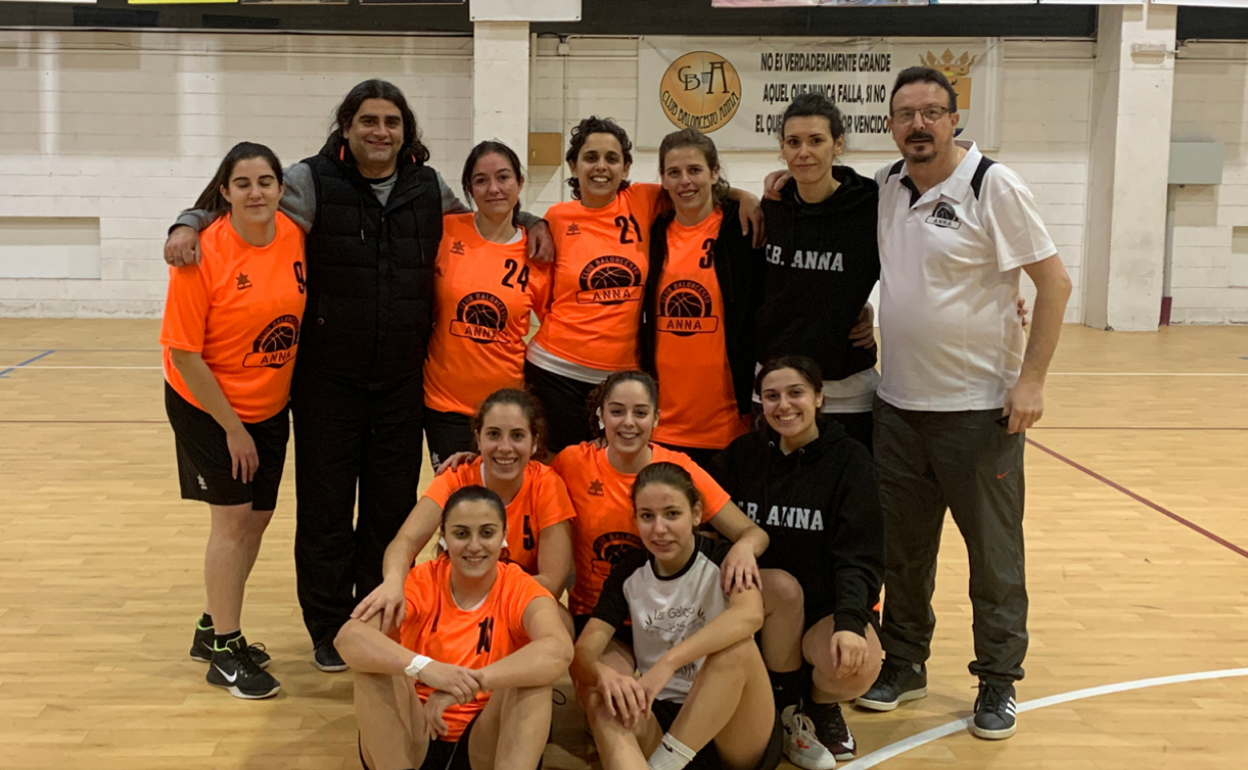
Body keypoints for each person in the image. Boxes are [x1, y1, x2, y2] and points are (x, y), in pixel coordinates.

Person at [162, 80, 553, 671]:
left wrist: (529, 217)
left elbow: (485, 216)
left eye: (392, 121)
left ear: (406, 129)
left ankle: (376, 615)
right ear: (345, 127)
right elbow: (244, 198)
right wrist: (188, 221)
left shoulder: (428, 186)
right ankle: (327, 628)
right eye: (367, 120)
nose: (380, 131)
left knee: (388, 511)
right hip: (326, 381)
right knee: (325, 512)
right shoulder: (310, 181)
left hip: (401, 382)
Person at [857, 66, 1072, 741]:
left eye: (931, 112)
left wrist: (1031, 379)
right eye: (904, 114)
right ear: (891, 125)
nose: (917, 124)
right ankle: (904, 663)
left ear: (955, 119)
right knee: (904, 553)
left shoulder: (991, 184)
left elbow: (1055, 283)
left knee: (994, 559)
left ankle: (999, 681)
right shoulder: (888, 186)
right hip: (897, 405)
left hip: (980, 413)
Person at [160, 142, 304, 699]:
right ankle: (223, 650)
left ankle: (209, 626)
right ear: (224, 191)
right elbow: (184, 355)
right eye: (243, 183)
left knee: (259, 519)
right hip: (207, 405)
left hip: (269, 404)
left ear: (280, 188)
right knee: (232, 523)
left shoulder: (293, 235)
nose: (256, 192)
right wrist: (232, 428)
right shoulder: (204, 253)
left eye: (265, 181)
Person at [527, 117, 762, 454]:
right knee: (562, 473)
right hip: (555, 371)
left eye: (611, 158)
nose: (601, 167)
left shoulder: (645, 200)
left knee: (615, 476)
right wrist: (529, 219)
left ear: (626, 167)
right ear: (573, 166)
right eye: (590, 157)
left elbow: (697, 187)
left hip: (621, 378)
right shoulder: (556, 218)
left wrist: (747, 198)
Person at [710, 357, 883, 769]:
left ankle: (819, 705)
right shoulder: (742, 455)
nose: (783, 406)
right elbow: (700, 511)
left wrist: (848, 625)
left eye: (796, 393)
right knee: (783, 588)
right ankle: (786, 708)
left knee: (860, 666)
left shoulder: (851, 462)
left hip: (821, 604)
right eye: (771, 396)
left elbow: (860, 557)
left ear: (819, 397)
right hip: (764, 602)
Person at [335, 486, 573, 770]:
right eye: (461, 534)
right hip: (415, 734)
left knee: (533, 680)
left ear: (503, 536)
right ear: (444, 537)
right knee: (374, 668)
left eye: (486, 533)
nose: (474, 546)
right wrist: (426, 668)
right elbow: (348, 638)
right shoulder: (423, 580)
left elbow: (558, 650)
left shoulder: (519, 586)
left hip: (482, 741)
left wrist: (469, 684)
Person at [573, 463, 783, 770]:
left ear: (696, 514)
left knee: (738, 647)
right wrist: (607, 677)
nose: (659, 529)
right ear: (635, 519)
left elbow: (750, 616)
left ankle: (663, 765)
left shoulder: (723, 557)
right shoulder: (630, 572)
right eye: (647, 516)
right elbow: (583, 653)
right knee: (602, 698)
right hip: (664, 717)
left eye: (672, 514)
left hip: (734, 724)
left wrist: (667, 662)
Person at [551, 370, 768, 635]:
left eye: (640, 413)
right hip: (598, 614)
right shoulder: (572, 463)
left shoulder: (678, 468)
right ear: (601, 415)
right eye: (617, 412)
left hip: (671, 614)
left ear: (656, 418)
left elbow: (753, 532)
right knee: (604, 676)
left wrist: (744, 547)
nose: (628, 423)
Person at [352, 388, 575, 633]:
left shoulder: (547, 484)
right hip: (453, 601)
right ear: (478, 439)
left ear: (534, 442)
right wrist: (393, 582)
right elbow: (405, 540)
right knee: (370, 628)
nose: (504, 447)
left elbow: (551, 582)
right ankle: (427, 666)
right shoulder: (457, 477)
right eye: (493, 434)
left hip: (513, 604)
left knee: (560, 625)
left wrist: (485, 600)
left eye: (517, 436)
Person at [757, 94, 881, 453]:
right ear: (782, 148)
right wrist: (739, 194)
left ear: (838, 144)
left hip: (846, 389)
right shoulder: (772, 205)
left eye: (816, 140)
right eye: (793, 142)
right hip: (777, 387)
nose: (803, 152)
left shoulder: (870, 206)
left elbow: (914, 268)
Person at [638, 128, 761, 469]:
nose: (685, 182)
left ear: (714, 172)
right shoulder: (652, 233)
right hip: (663, 426)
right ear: (662, 178)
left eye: (694, 170)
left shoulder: (741, 229)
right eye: (673, 172)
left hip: (728, 426)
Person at [423, 141, 551, 467]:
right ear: (468, 189)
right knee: (458, 505)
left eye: (504, 178)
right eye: (481, 180)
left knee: (503, 506)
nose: (494, 188)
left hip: (506, 407)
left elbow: (555, 330)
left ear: (520, 183)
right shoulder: (445, 230)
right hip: (445, 403)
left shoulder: (536, 251)